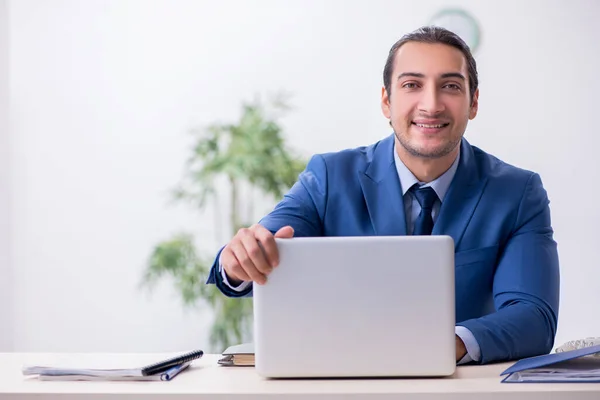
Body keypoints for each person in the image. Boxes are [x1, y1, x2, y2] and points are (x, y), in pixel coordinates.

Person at [206, 26, 560, 365]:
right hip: (343, 385)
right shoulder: (330, 177)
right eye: (412, 85)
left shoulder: (517, 192)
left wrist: (436, 347)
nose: (431, 104)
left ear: (473, 103)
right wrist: (238, 261)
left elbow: (534, 319)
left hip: (461, 386)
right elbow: (262, 246)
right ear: (386, 102)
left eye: (450, 86)